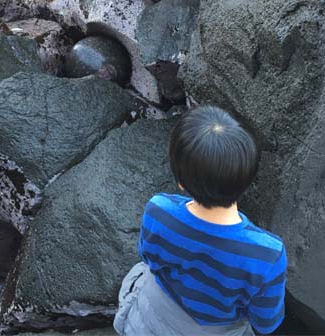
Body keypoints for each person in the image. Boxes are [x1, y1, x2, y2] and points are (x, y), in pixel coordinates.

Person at [113, 105, 287, 336]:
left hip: (151, 317)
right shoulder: (268, 254)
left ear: (181, 182)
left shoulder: (159, 210)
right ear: (248, 181)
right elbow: (266, 322)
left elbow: (149, 258)